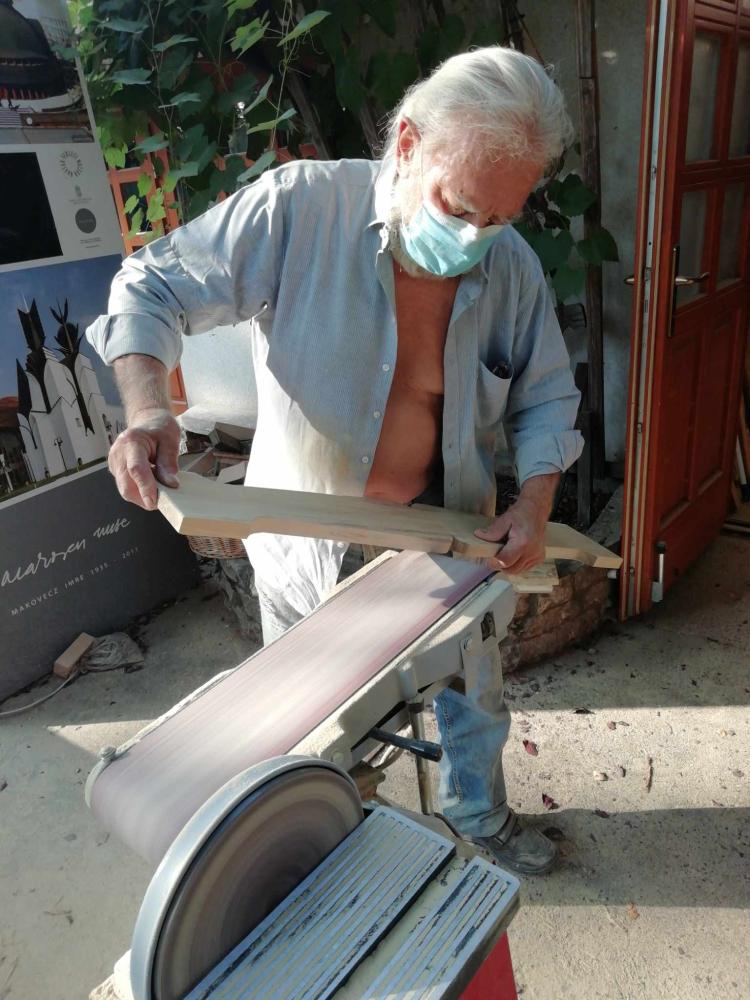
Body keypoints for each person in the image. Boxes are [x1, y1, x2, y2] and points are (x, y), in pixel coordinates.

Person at [87, 46, 583, 875]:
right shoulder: (299, 210)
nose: (473, 237)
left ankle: (480, 815)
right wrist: (148, 411)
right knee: (313, 725)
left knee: (472, 695)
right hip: (307, 545)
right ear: (410, 142)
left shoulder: (512, 269)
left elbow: (547, 398)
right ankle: (334, 845)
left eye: (500, 217)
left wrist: (533, 504)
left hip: (448, 538)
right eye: (459, 207)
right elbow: (150, 286)